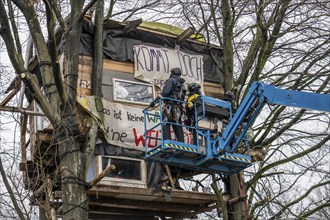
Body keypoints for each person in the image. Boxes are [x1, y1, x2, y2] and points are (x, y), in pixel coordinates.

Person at [150, 67, 186, 142]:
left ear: (172, 73)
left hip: (169, 107)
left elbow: (165, 93)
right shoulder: (182, 85)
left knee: (165, 124)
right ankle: (181, 143)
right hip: (178, 109)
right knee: (178, 126)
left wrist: (154, 102)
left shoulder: (171, 80)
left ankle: (167, 143)